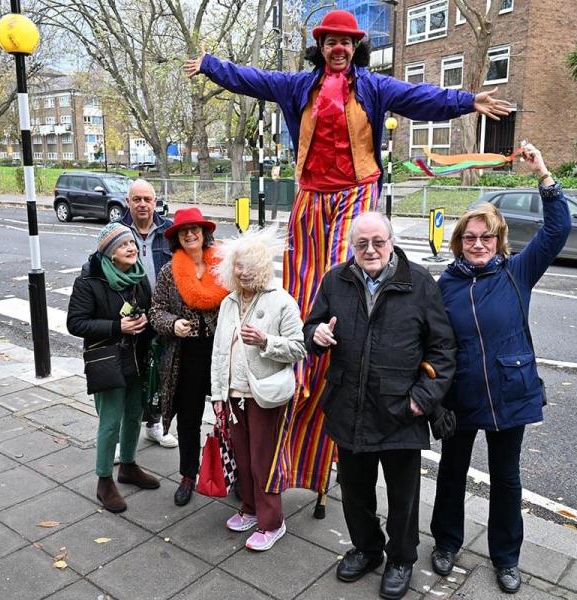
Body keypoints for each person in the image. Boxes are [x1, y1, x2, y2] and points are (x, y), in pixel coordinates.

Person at [184, 9, 511, 510]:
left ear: (355, 48)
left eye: (347, 42)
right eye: (332, 41)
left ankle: (343, 342)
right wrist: (209, 64)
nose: (340, 48)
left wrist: (468, 101)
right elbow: (251, 79)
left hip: (356, 194)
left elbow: (422, 97)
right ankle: (300, 364)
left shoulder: (374, 87)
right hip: (311, 197)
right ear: (322, 46)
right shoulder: (299, 86)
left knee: (347, 277)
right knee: (303, 292)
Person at [429, 144, 571, 594]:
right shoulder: (444, 286)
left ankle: (506, 558)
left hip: (511, 391)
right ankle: (447, 543)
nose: (477, 244)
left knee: (506, 478)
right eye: (470, 238)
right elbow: (427, 341)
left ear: (498, 240)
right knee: (452, 471)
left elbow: (557, 230)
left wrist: (543, 175)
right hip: (460, 396)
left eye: (486, 238)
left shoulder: (516, 272)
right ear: (458, 242)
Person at [304, 211, 456, 600]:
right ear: (351, 246)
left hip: (401, 409)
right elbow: (311, 326)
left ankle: (402, 558)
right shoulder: (335, 279)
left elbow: (443, 348)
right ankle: (367, 549)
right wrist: (316, 333)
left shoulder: (419, 282)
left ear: (391, 243)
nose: (370, 250)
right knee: (355, 491)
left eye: (378, 242)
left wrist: (422, 401)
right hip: (349, 405)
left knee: (403, 496)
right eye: (361, 244)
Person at [208, 227, 307, 552]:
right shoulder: (227, 303)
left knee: (263, 461)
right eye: (238, 265)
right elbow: (220, 353)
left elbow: (298, 347)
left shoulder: (281, 302)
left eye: (250, 265)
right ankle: (249, 509)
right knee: (243, 458)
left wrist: (266, 342)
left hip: (265, 396)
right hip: (234, 397)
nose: (243, 271)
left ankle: (272, 522)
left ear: (263, 267)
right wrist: (218, 396)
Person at [67, 222, 160, 513]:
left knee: (134, 415)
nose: (131, 248)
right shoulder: (89, 280)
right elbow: (76, 323)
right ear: (109, 252)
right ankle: (104, 480)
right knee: (110, 422)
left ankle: (129, 466)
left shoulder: (138, 276)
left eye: (131, 242)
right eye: (123, 245)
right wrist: (117, 326)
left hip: (137, 357)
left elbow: (147, 307)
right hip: (107, 360)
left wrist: (145, 323)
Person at [149, 207, 228, 507]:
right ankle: (187, 475)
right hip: (186, 355)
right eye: (184, 231)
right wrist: (173, 324)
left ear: (204, 233)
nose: (190, 234)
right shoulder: (170, 271)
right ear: (177, 238)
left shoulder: (222, 265)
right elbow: (155, 310)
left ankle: (232, 472)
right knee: (189, 418)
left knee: (229, 416)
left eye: (195, 229)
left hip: (220, 353)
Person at [120, 179, 178, 449]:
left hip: (163, 316)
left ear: (155, 202)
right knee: (130, 375)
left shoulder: (169, 231)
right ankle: (123, 437)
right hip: (131, 317)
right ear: (127, 202)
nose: (142, 204)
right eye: (137, 199)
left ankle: (154, 425)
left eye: (147, 199)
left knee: (160, 374)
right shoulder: (118, 231)